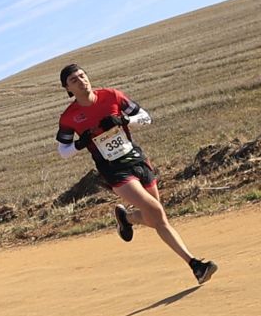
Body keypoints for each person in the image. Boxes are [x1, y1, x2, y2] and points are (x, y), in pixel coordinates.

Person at [55, 62, 217, 285]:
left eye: (83, 75)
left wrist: (124, 120)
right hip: (113, 170)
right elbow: (63, 151)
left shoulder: (111, 95)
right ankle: (195, 265)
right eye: (74, 80)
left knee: (154, 217)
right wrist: (80, 143)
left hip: (136, 159)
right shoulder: (69, 117)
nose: (81, 81)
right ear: (67, 89)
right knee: (156, 212)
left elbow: (145, 117)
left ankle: (127, 217)